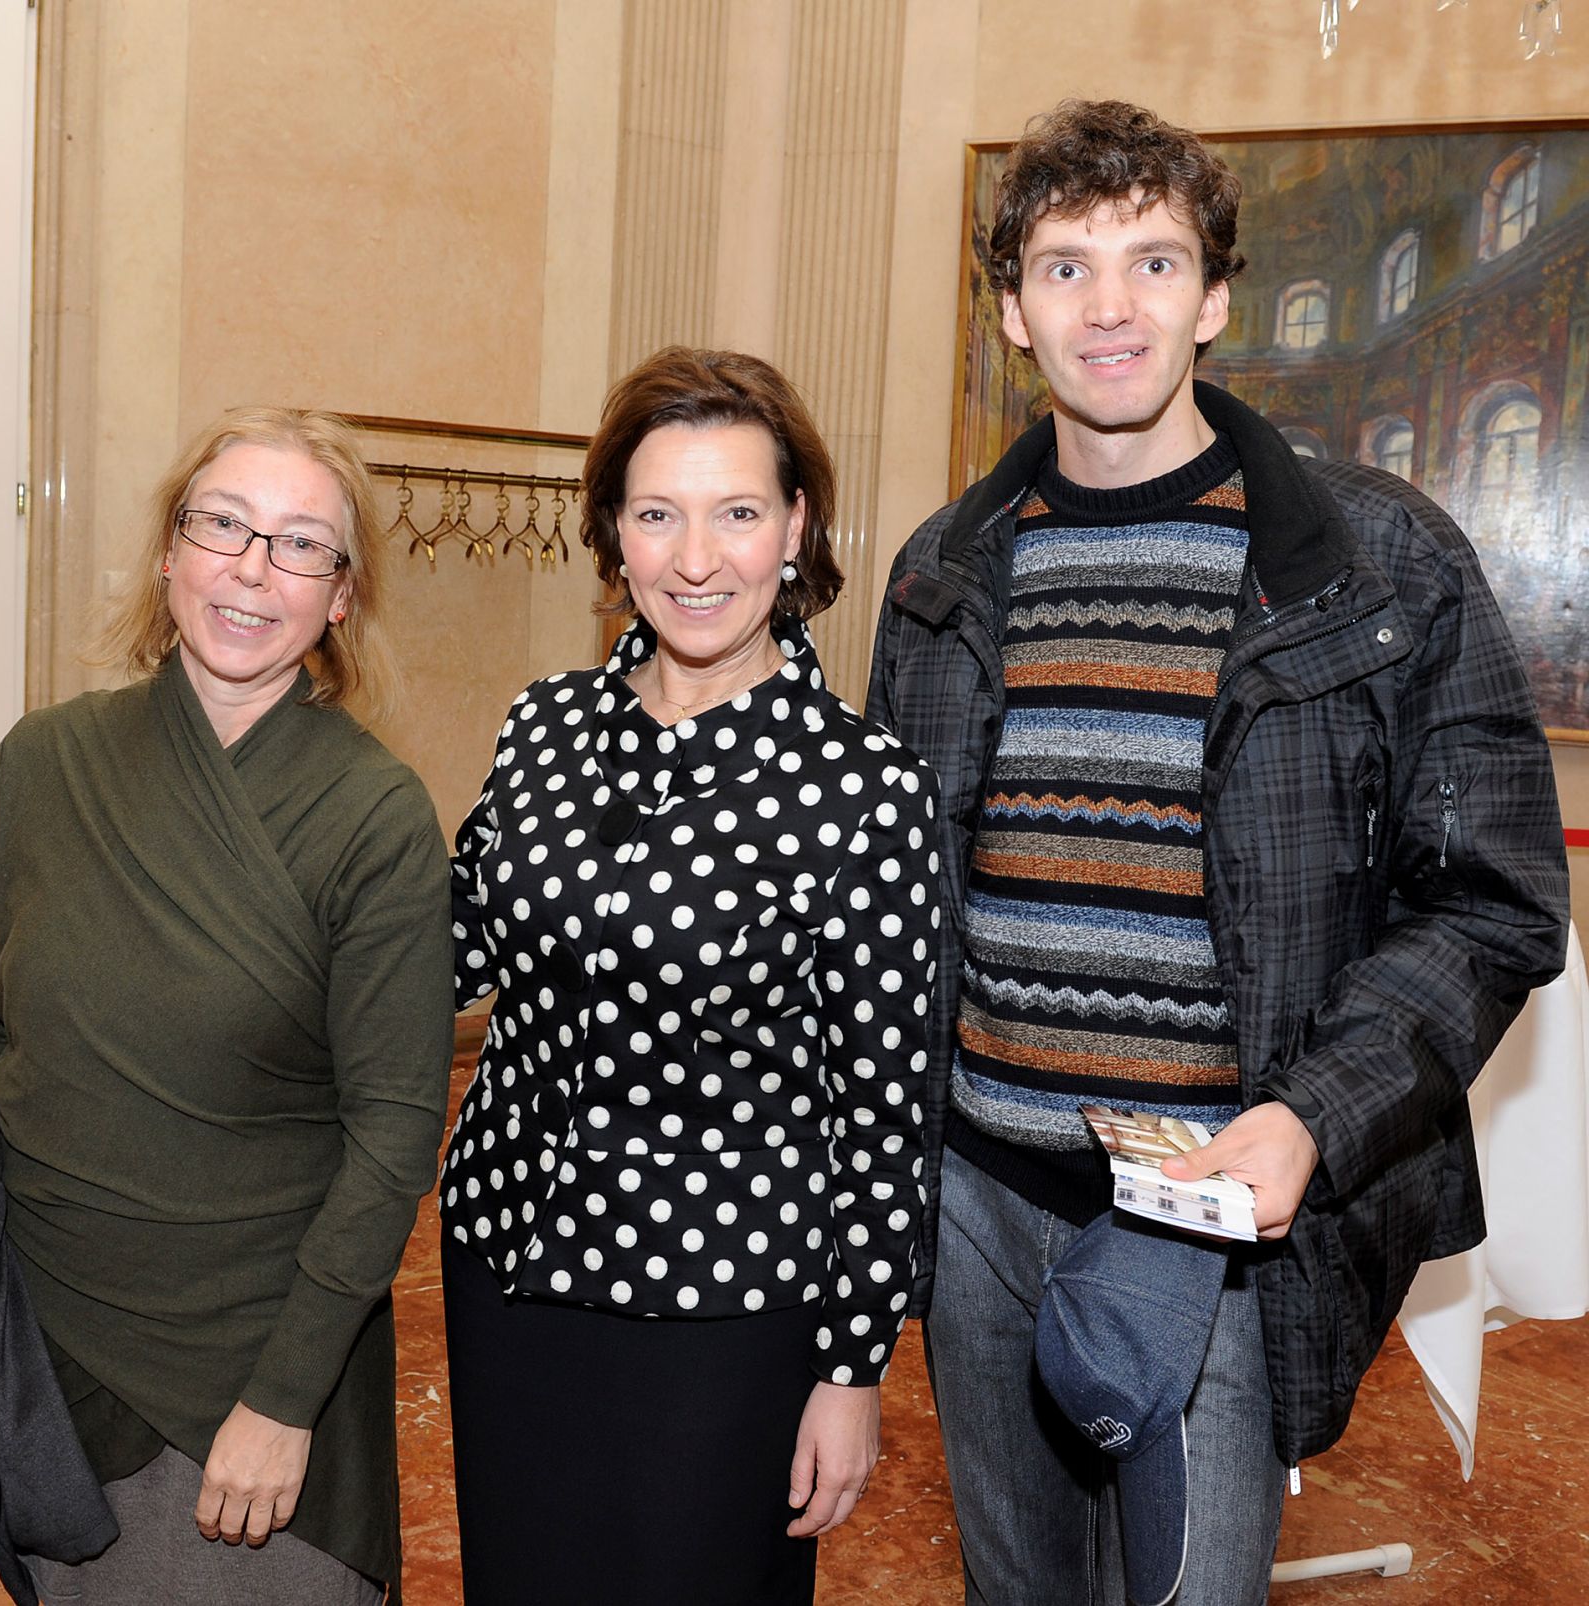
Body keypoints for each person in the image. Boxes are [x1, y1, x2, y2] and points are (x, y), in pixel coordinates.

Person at [867, 100, 1570, 1605]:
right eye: (1064, 267)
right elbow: (897, 902)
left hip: (1209, 1210)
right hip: (976, 1194)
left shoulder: (1384, 562)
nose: (1108, 306)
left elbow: (1497, 902)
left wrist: (1313, 1112)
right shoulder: (939, 575)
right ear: (1010, 310)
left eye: (1152, 260)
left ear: (1215, 297)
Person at [0, 408, 455, 1604]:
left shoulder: (374, 819)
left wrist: (280, 1401)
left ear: (342, 598)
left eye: (300, 543)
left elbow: (390, 1144)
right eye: (222, 525)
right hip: (40, 1345)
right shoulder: (42, 763)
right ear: (168, 553)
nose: (252, 568)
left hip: (247, 1372)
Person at [442, 346, 941, 1605]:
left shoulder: (863, 787)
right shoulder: (541, 724)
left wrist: (849, 1368)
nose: (695, 557)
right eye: (657, 514)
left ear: (795, 527)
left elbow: (886, 1114)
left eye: (735, 512)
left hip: (725, 1310)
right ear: (614, 533)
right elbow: (451, 947)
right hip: (509, 1270)